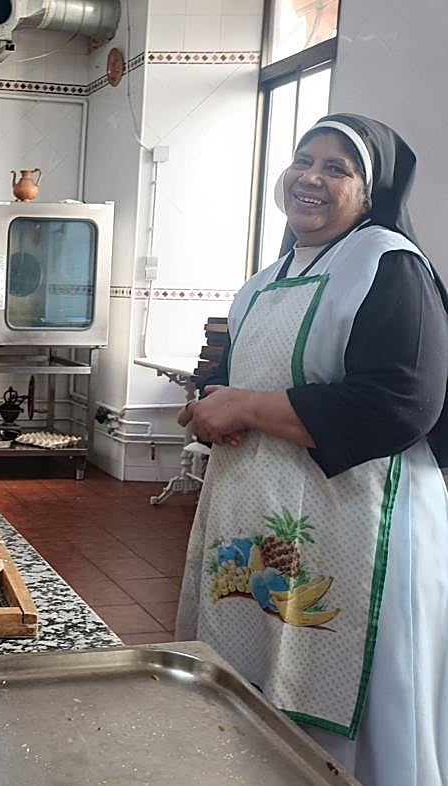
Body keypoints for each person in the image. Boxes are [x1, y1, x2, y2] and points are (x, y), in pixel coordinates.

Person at [175, 113, 448, 786]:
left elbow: (401, 402)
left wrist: (244, 406)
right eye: (303, 160)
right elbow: (233, 374)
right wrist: (210, 406)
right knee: (251, 672)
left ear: (370, 190)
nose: (310, 178)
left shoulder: (388, 264)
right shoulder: (263, 282)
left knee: (350, 694)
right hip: (258, 517)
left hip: (361, 518)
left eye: (337, 168)